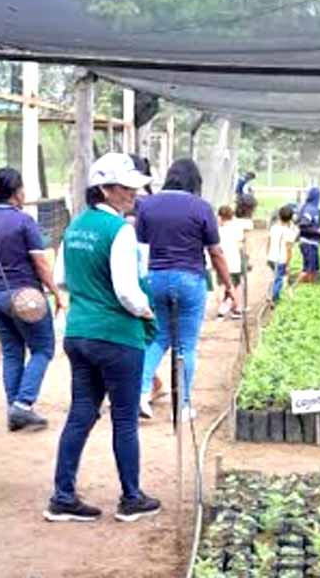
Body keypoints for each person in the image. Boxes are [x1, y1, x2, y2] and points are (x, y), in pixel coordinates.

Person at [43, 153, 161, 524]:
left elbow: (61, 278)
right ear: (104, 190)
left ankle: (63, 496)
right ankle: (131, 497)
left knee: (81, 413)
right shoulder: (121, 231)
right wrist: (149, 311)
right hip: (116, 336)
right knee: (125, 419)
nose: (132, 194)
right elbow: (127, 292)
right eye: (125, 188)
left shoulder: (75, 226)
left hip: (79, 333)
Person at [136, 159, 234, 421]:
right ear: (195, 182)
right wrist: (229, 286)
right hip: (190, 279)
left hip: (156, 277)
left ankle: (142, 395)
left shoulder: (147, 205)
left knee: (159, 338)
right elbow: (215, 252)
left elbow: (141, 248)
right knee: (186, 345)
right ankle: (183, 406)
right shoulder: (201, 207)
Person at [0, 167, 63, 432]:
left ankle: (14, 409)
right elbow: (40, 263)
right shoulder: (24, 221)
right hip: (24, 296)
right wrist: (56, 293)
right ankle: (23, 405)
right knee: (43, 348)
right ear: (16, 193)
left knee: (12, 351)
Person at [216, 205, 250, 319]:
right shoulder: (237, 229)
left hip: (221, 263)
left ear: (220, 216)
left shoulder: (218, 231)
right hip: (234, 262)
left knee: (221, 286)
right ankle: (236, 309)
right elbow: (241, 245)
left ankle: (221, 310)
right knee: (236, 285)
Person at [267, 205, 296, 303]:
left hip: (271, 257)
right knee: (278, 279)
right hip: (281, 259)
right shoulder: (290, 232)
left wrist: (267, 254)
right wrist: (288, 264)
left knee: (275, 276)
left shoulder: (273, 228)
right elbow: (289, 249)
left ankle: (273, 294)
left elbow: (269, 242)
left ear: (279, 216)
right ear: (291, 218)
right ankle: (273, 298)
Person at [295, 186, 320, 285]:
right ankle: (293, 288)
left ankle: (311, 288)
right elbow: (303, 226)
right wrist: (318, 231)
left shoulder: (316, 209)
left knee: (315, 269)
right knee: (308, 269)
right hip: (308, 243)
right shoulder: (309, 209)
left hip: (313, 243)